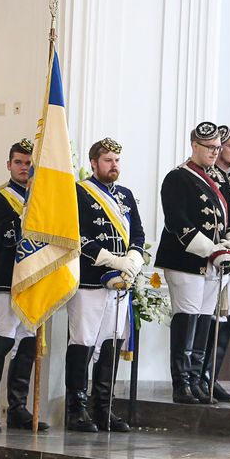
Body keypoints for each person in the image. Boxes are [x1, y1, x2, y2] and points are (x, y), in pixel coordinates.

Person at [154, 122, 230, 404]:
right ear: (194, 146)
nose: (214, 152)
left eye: (217, 148)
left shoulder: (217, 181)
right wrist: (210, 249)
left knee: (205, 320)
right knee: (187, 318)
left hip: (214, 263)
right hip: (185, 260)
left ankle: (197, 380)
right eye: (209, 148)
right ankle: (181, 383)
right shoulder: (177, 177)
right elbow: (176, 221)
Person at [66, 139, 146, 432]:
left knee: (110, 344)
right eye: (108, 160)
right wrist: (112, 260)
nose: (114, 165)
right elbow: (77, 234)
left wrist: (134, 260)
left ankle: (104, 407)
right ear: (94, 163)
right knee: (83, 342)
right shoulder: (80, 192)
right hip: (90, 280)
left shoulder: (125, 195)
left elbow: (137, 232)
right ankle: (76, 409)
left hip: (121, 282)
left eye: (117, 160)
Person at [0, 139, 46, 431]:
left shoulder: (44, 198)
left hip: (34, 281)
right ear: (9, 165)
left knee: (26, 343)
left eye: (29, 163)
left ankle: (18, 407)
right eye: (18, 162)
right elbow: (6, 234)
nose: (24, 167)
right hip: (6, 279)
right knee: (1, 340)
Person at [199, 126, 230, 402]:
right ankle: (201, 377)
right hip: (214, 254)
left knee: (226, 320)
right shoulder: (209, 175)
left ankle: (212, 375)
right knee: (210, 318)